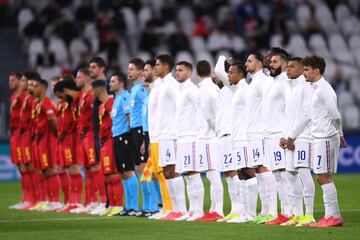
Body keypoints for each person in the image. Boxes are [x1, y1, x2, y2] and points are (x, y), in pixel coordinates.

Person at [302, 55, 347, 227]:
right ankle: (330, 216)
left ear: (316, 71)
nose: (304, 73)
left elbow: (335, 114)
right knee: (324, 176)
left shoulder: (323, 89)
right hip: (321, 137)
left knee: (322, 176)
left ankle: (334, 216)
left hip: (326, 137)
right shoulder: (317, 89)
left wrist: (339, 133)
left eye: (306, 70)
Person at [279, 57, 316, 226]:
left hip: (303, 137)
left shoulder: (306, 87)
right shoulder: (289, 88)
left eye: (292, 67)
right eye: (287, 67)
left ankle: (309, 215)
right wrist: (284, 135)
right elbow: (288, 115)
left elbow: (307, 115)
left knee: (304, 173)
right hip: (291, 138)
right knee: (291, 176)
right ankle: (298, 215)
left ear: (302, 70)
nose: (288, 70)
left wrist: (292, 135)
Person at [243, 52, 278, 224]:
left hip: (260, 132)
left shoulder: (263, 82)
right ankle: (265, 211)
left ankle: (272, 211)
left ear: (258, 64)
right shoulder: (252, 83)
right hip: (252, 133)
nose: (246, 63)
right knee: (258, 171)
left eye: (249, 61)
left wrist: (265, 129)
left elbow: (269, 106)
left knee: (264, 169)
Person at [263, 51, 293, 225]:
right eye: (270, 61)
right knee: (278, 175)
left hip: (279, 134)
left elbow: (290, 109)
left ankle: (289, 212)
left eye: (274, 61)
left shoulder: (285, 83)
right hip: (270, 134)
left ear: (284, 63)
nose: (271, 64)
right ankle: (284, 212)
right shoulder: (273, 81)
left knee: (285, 174)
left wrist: (286, 134)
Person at [71, 68, 106, 214]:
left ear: (86, 79)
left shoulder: (91, 96)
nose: (76, 80)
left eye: (78, 77)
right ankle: (92, 202)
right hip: (83, 137)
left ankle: (104, 202)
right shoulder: (83, 95)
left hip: (91, 136)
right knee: (88, 170)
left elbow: (96, 117)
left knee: (95, 168)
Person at [143, 60, 174, 220]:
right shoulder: (155, 90)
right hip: (155, 137)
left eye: (151, 68)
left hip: (162, 136)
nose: (146, 72)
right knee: (159, 173)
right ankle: (167, 207)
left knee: (164, 173)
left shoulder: (163, 88)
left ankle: (170, 207)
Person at [172, 61, 202, 221]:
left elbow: (200, 111)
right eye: (176, 70)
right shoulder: (180, 91)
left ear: (189, 73)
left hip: (191, 137)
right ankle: (192, 209)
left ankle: (198, 211)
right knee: (187, 175)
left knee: (193, 173)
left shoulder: (191, 90)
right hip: (182, 138)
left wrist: (197, 134)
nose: (177, 73)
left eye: (181, 70)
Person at [154, 54, 182, 220]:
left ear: (166, 66)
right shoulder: (162, 85)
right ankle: (173, 209)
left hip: (171, 134)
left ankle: (180, 209)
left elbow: (180, 108)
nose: (155, 67)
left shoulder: (172, 85)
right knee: (166, 171)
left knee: (173, 170)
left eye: (158, 65)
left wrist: (176, 131)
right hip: (162, 134)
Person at [194, 60, 223, 222]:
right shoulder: (211, 88)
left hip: (208, 137)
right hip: (209, 136)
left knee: (213, 174)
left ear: (196, 72)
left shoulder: (205, 89)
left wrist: (214, 129)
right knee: (212, 174)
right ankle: (213, 208)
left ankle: (217, 210)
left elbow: (209, 114)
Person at [91, 80, 124, 216]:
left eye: (93, 91)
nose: (91, 94)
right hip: (103, 143)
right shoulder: (101, 107)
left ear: (98, 91)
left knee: (113, 175)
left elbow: (116, 122)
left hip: (110, 141)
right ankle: (111, 205)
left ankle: (119, 205)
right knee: (106, 175)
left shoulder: (111, 104)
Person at [109, 72, 140, 217]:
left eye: (113, 81)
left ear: (121, 83)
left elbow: (129, 117)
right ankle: (128, 206)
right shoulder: (116, 99)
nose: (110, 83)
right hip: (117, 137)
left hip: (124, 137)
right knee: (122, 173)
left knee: (128, 171)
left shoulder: (125, 96)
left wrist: (131, 137)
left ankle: (133, 206)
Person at [53, 79, 84, 213]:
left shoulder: (78, 100)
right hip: (65, 139)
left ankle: (77, 202)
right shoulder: (65, 103)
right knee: (68, 170)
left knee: (75, 170)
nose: (61, 98)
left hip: (74, 139)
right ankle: (71, 201)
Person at [32, 76, 61, 211]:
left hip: (48, 141)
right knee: (45, 171)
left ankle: (55, 201)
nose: (32, 88)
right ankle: (49, 200)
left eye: (35, 86)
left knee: (50, 170)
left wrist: (56, 136)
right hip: (41, 141)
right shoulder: (39, 103)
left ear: (42, 88)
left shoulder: (47, 103)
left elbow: (53, 121)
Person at [139, 60, 163, 217]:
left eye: (145, 72)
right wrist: (144, 139)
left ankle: (159, 205)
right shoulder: (147, 97)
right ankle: (157, 205)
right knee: (152, 173)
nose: (143, 76)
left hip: (157, 137)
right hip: (149, 136)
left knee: (156, 172)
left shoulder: (155, 94)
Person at [8, 72, 29, 210]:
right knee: (20, 167)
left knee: (27, 167)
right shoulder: (14, 97)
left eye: (13, 80)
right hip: (15, 134)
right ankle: (26, 198)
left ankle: (33, 198)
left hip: (24, 133)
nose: (10, 83)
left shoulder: (24, 97)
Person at [128, 58, 148, 176]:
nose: (128, 72)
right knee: (139, 168)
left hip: (141, 128)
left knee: (145, 168)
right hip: (134, 130)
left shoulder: (141, 88)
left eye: (132, 69)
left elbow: (147, 108)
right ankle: (148, 195)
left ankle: (155, 195)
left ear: (140, 72)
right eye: (128, 69)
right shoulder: (133, 89)